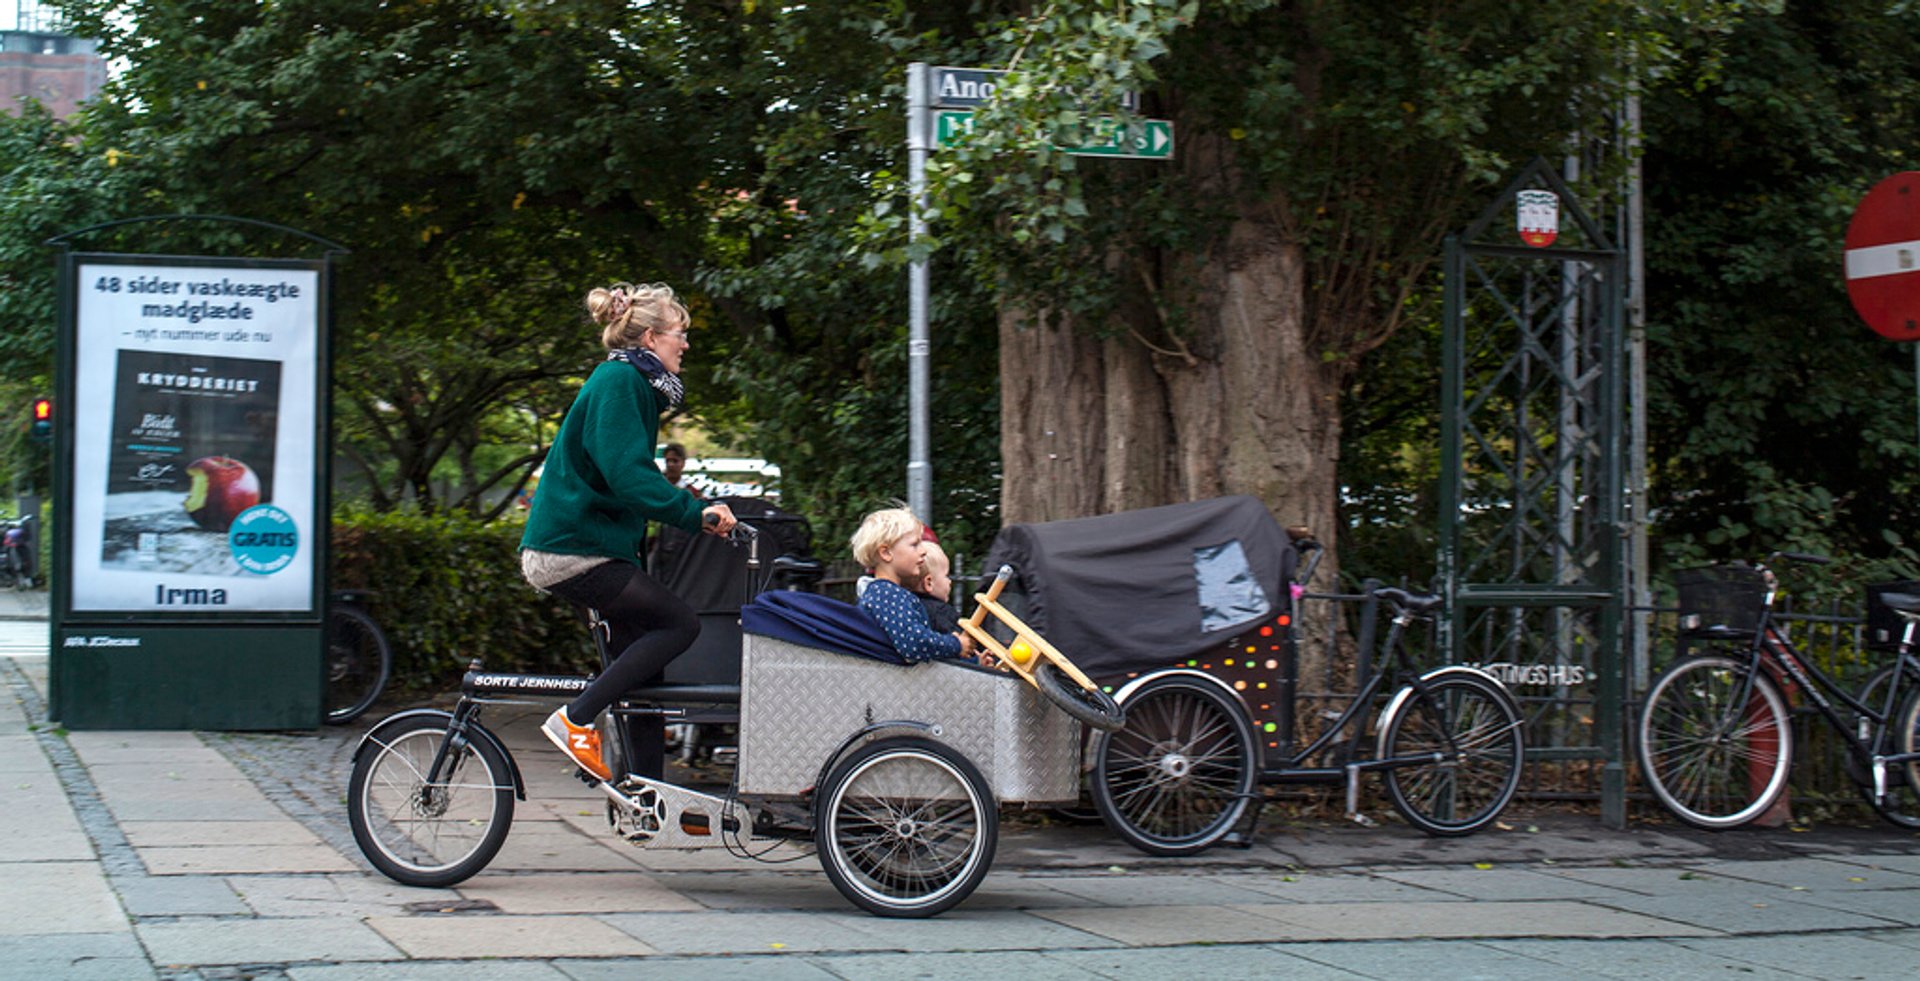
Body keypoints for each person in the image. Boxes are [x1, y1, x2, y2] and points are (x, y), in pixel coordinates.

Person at [519, 282, 736, 781]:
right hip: (572, 551)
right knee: (680, 624)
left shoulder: (633, 386)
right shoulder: (619, 383)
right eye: (680, 334)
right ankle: (575, 718)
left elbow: (623, 479)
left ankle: (646, 796)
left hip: (590, 549)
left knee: (645, 679)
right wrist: (694, 514)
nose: (686, 344)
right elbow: (629, 475)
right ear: (651, 338)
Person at [851, 507, 974, 663]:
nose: (923, 551)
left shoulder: (884, 593)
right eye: (915, 544)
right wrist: (955, 644)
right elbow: (914, 643)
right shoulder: (887, 595)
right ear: (886, 553)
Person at [913, 539, 963, 635]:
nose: (949, 581)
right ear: (929, 583)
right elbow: (957, 644)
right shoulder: (941, 612)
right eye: (946, 576)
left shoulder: (903, 606)